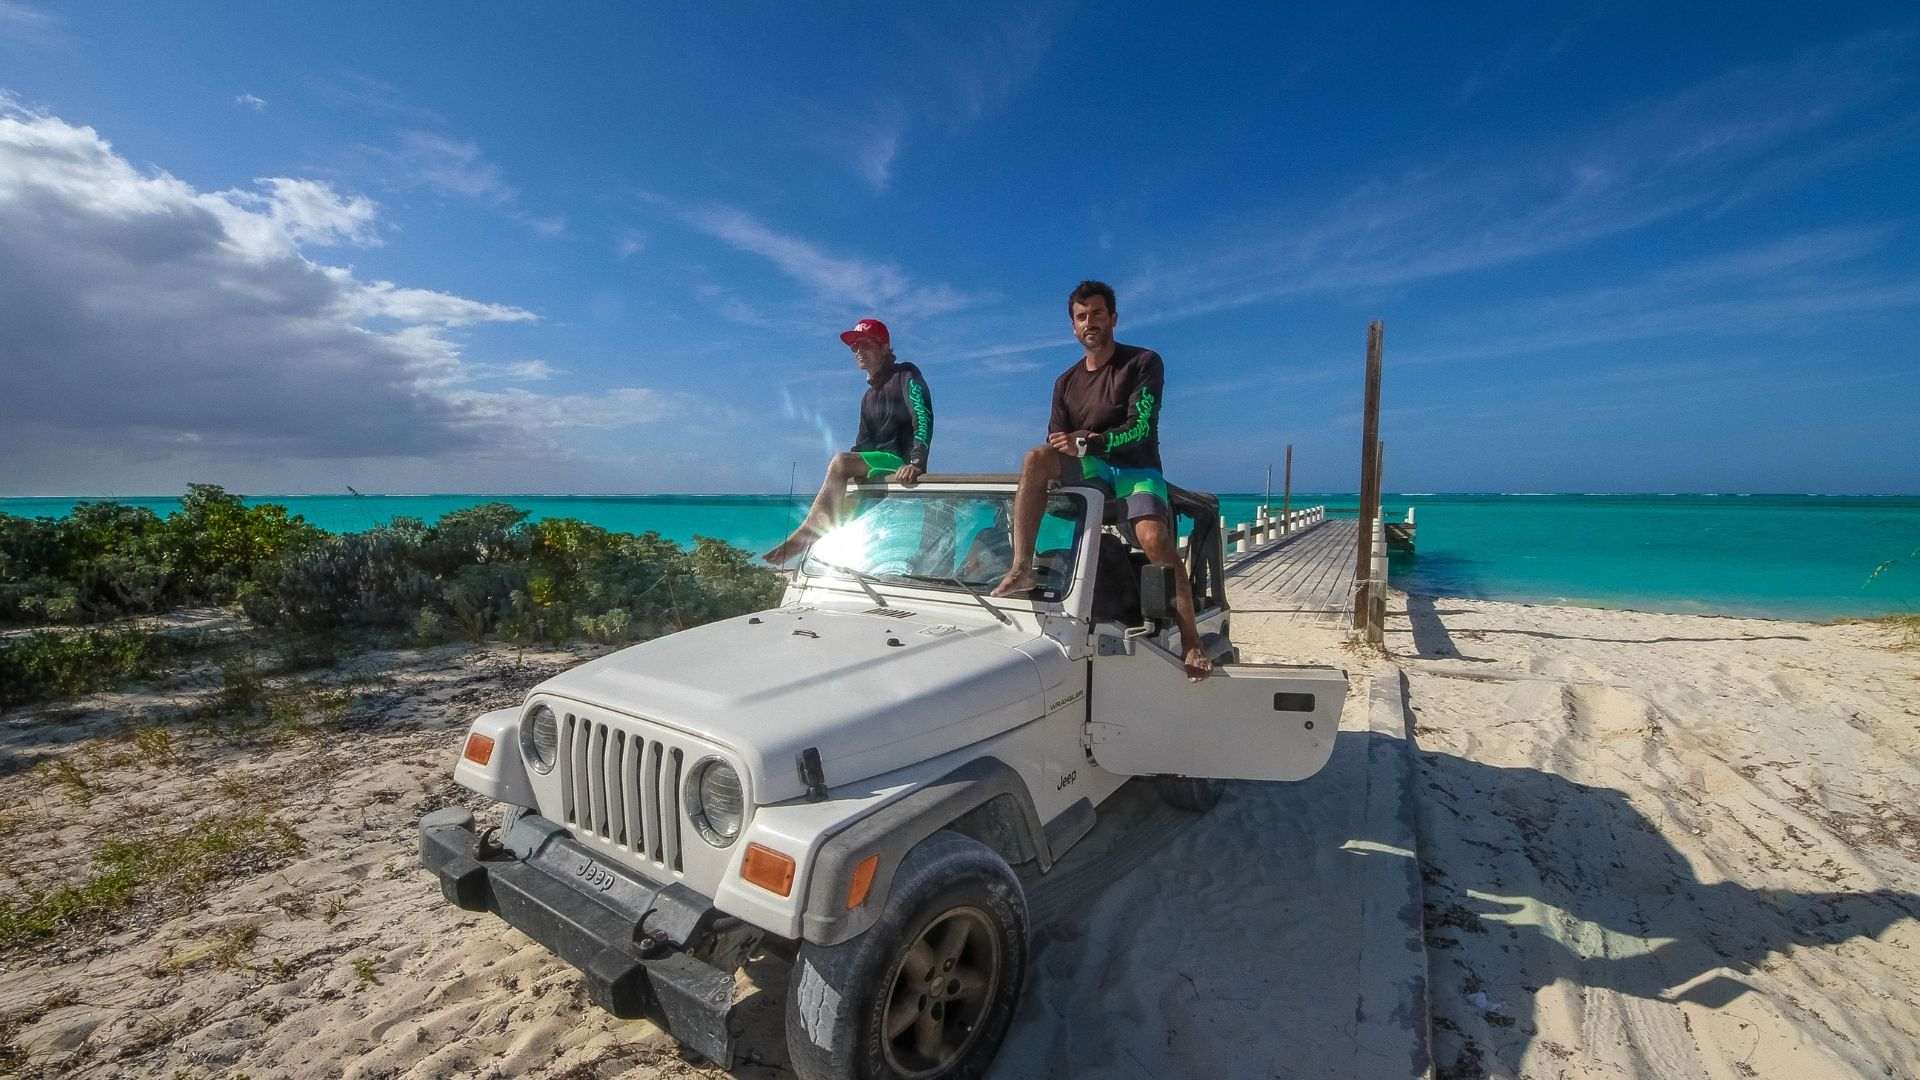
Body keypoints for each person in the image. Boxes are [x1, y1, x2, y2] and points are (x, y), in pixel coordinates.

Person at [991, 281, 1211, 681]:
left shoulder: (1143, 361)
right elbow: (1055, 439)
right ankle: (1022, 565)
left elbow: (1142, 426)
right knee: (1036, 458)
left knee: (1154, 540)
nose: (1089, 321)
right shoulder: (1064, 382)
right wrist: (1068, 446)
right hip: (1091, 465)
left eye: (1096, 313)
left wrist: (1091, 441)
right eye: (1081, 316)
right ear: (1073, 326)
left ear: (1112, 318)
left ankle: (1192, 638)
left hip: (1135, 468)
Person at [763, 318, 934, 565]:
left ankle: (808, 533)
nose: (857, 352)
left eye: (864, 345)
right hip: (878, 466)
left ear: (884, 348)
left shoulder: (906, 374)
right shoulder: (868, 397)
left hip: (900, 462)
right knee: (847, 489)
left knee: (841, 462)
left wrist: (917, 462)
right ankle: (836, 554)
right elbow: (862, 445)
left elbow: (923, 415)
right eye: (854, 347)